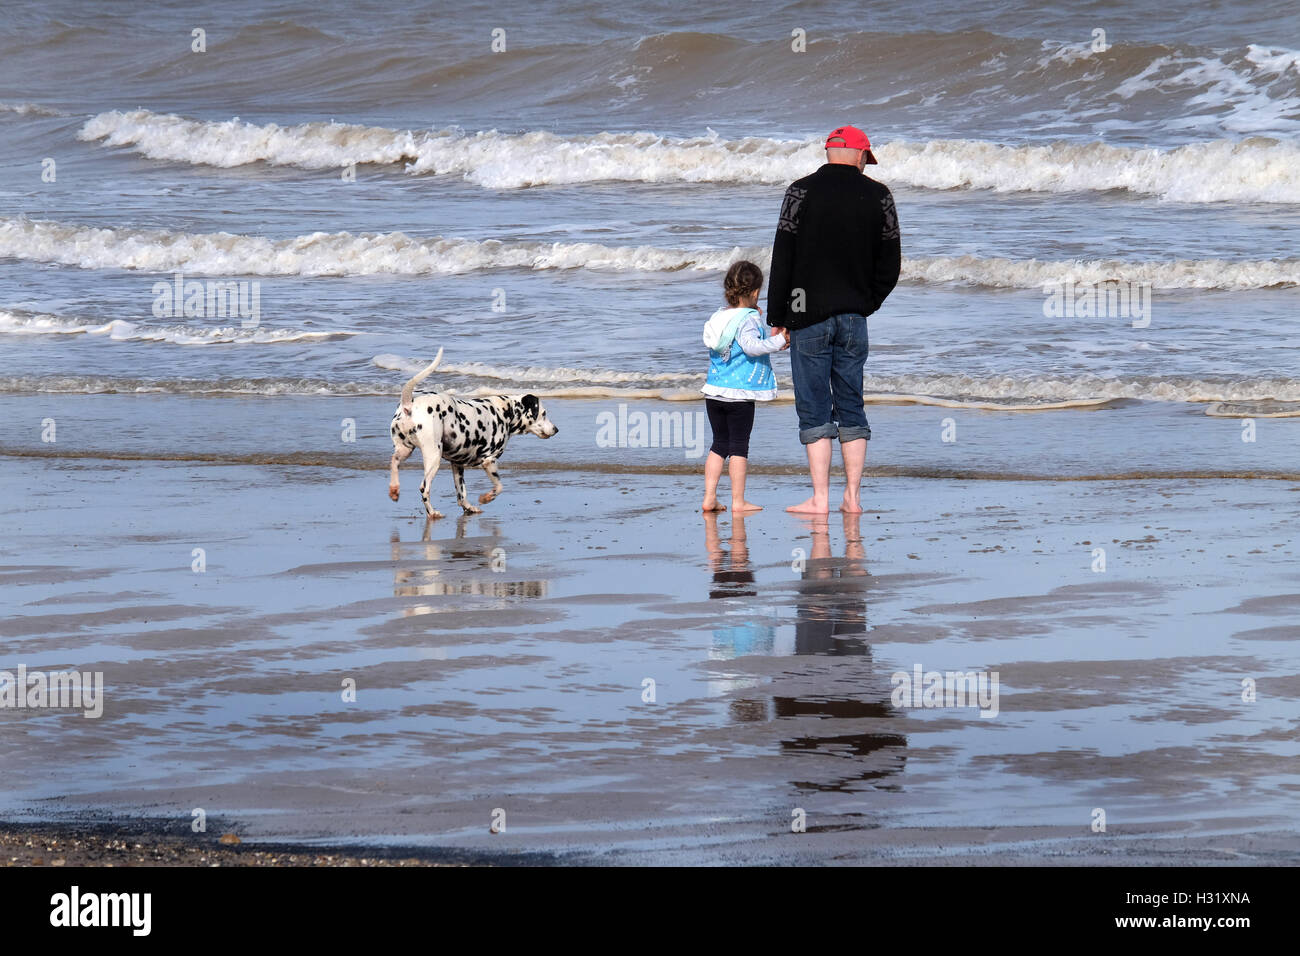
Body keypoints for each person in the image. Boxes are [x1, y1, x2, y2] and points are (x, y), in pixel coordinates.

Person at [765, 124, 901, 514]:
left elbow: (783, 254)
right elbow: (890, 264)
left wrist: (779, 314)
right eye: (866, 158)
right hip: (854, 317)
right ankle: (853, 499)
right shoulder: (879, 195)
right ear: (860, 155)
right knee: (851, 404)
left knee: (813, 407)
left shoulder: (800, 191)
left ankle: (820, 498)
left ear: (829, 152)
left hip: (806, 315)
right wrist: (866, 303)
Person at [701, 260, 789, 513]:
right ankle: (738, 501)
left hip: (714, 391)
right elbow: (751, 346)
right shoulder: (748, 319)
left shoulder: (719, 316)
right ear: (755, 293)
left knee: (719, 444)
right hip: (739, 395)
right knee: (739, 446)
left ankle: (709, 497)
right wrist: (778, 341)